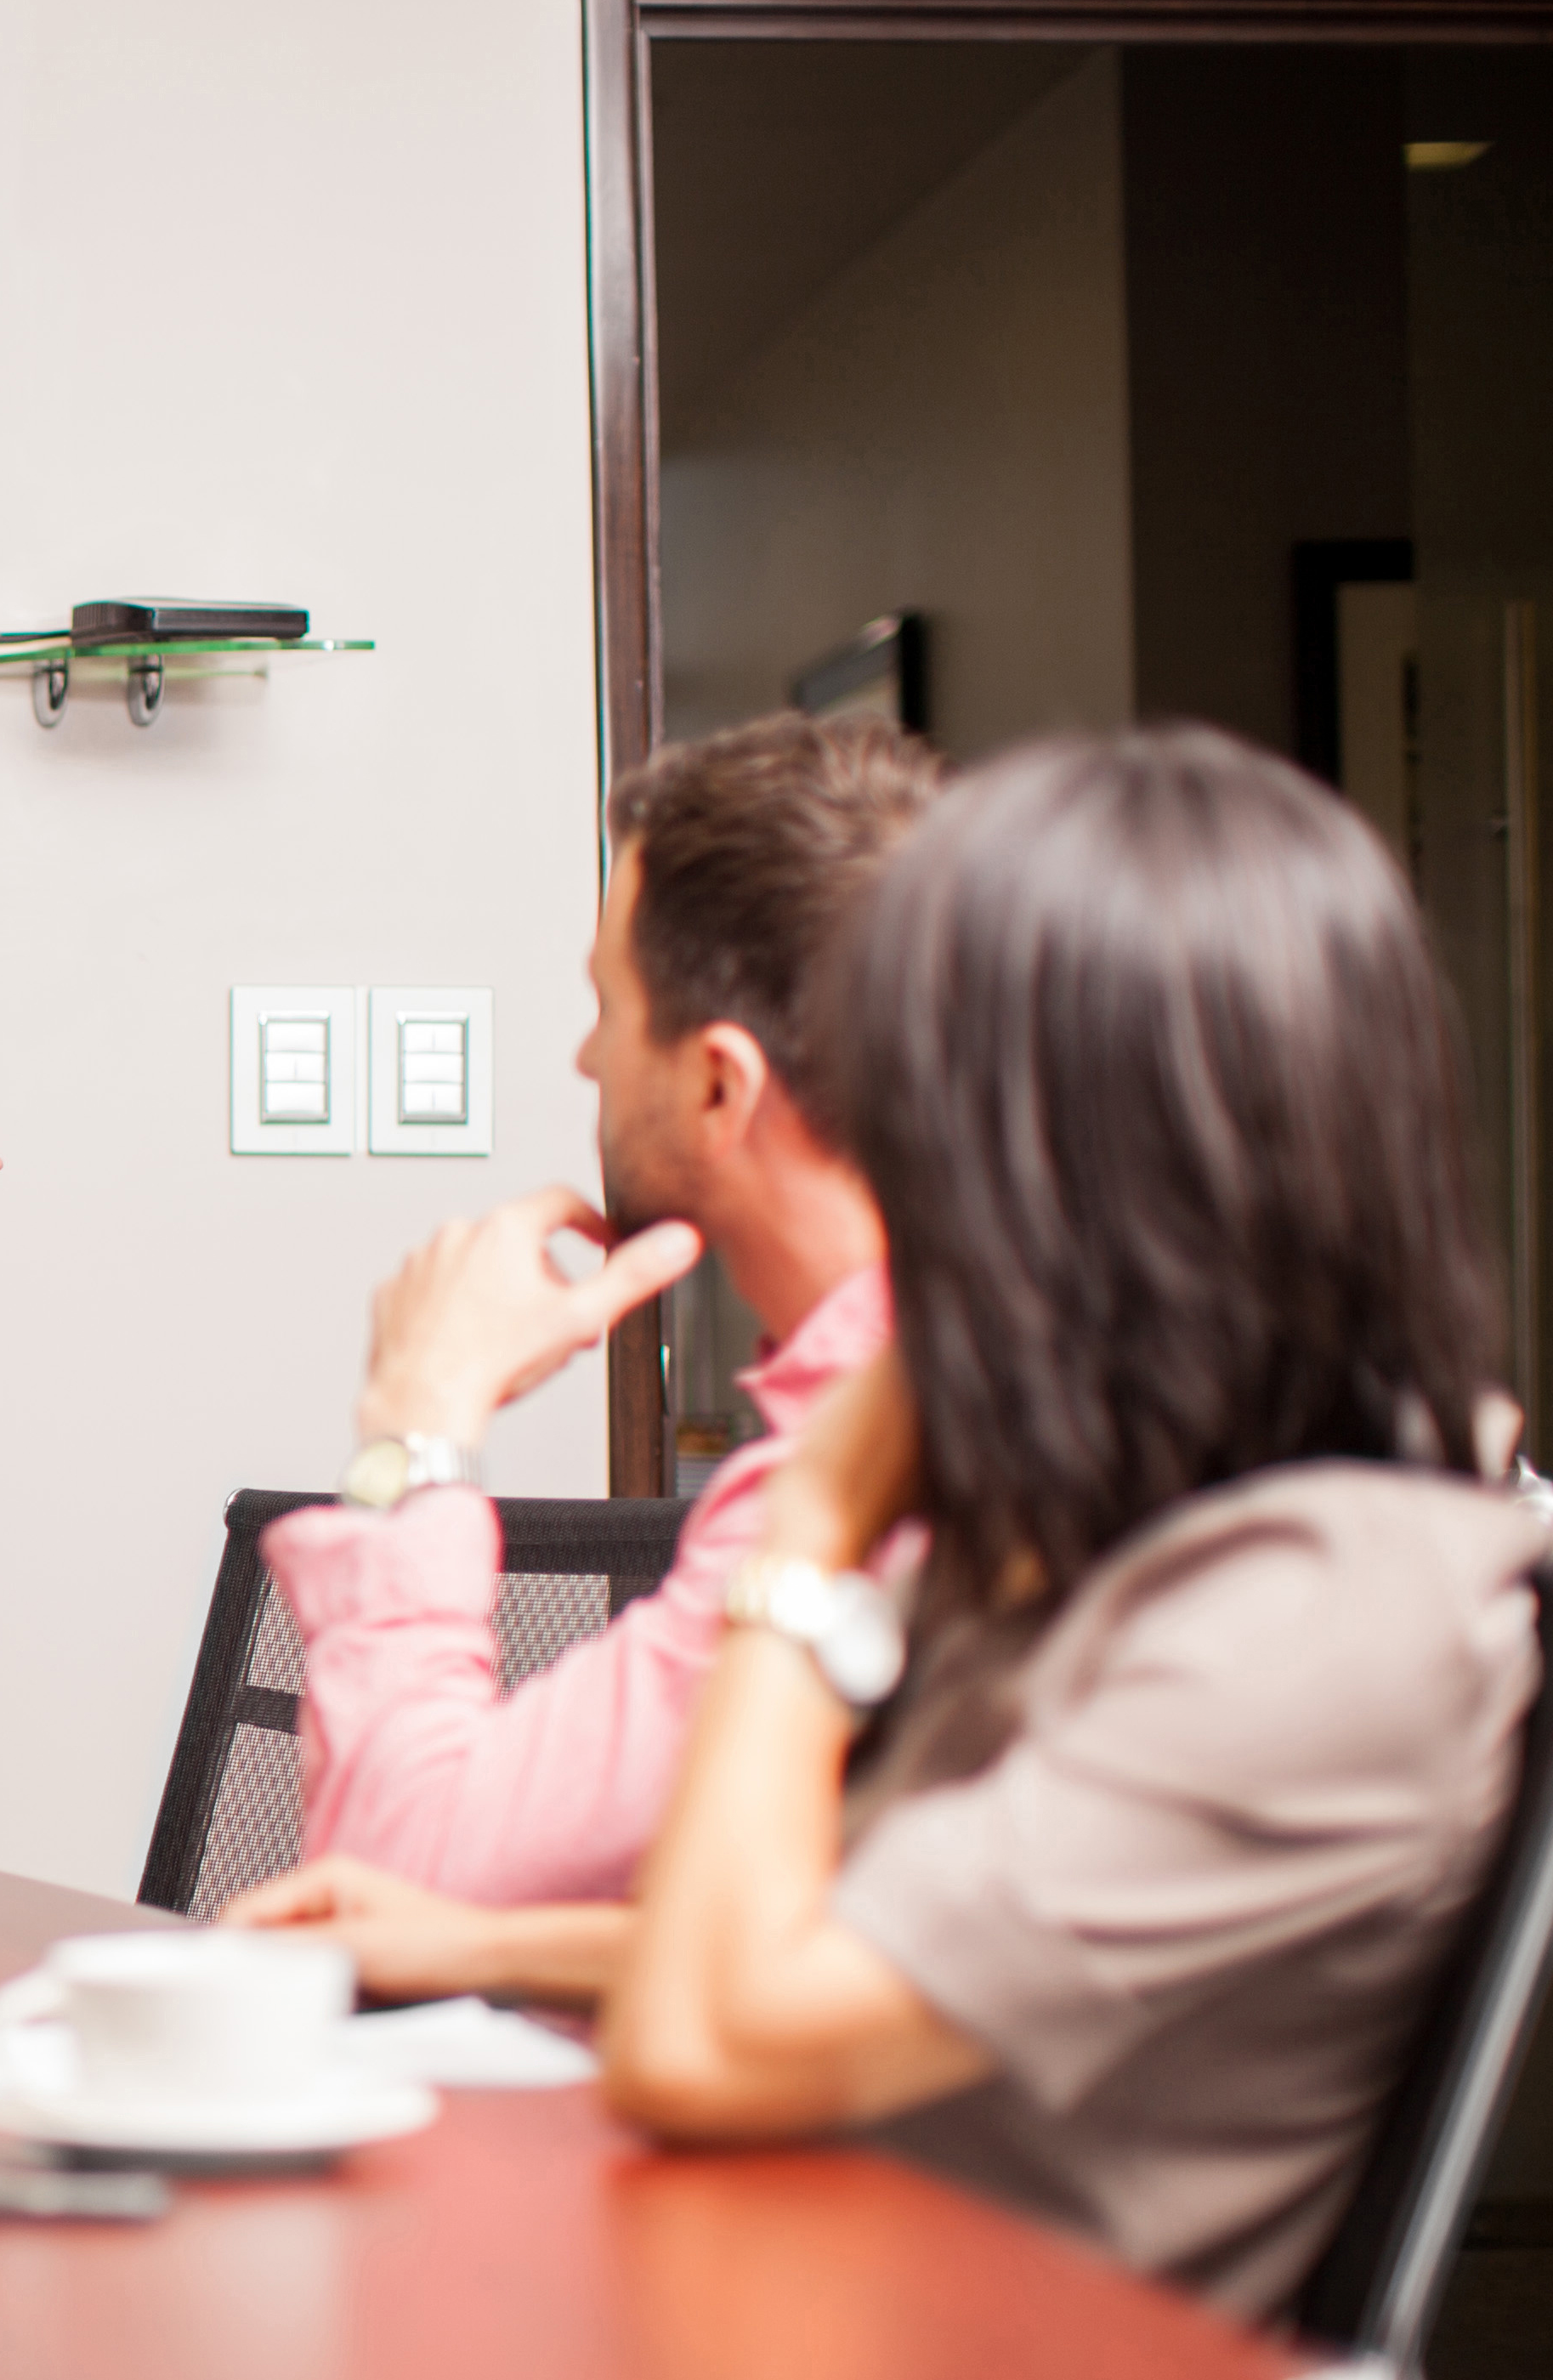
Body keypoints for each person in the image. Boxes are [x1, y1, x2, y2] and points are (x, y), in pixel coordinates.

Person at [239, 727, 1540, 2319]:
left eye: (921, 1080)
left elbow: (711, 2035)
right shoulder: (1190, 1529)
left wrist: (816, 1534)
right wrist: (484, 1944)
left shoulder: (1320, 1611)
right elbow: (894, 1954)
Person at [255, 715, 939, 1904]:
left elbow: (398, 1883)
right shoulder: (948, 1381)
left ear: (720, 1081)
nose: (585, 1059)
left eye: (608, 1007)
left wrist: (416, 1426)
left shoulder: (860, 1469)